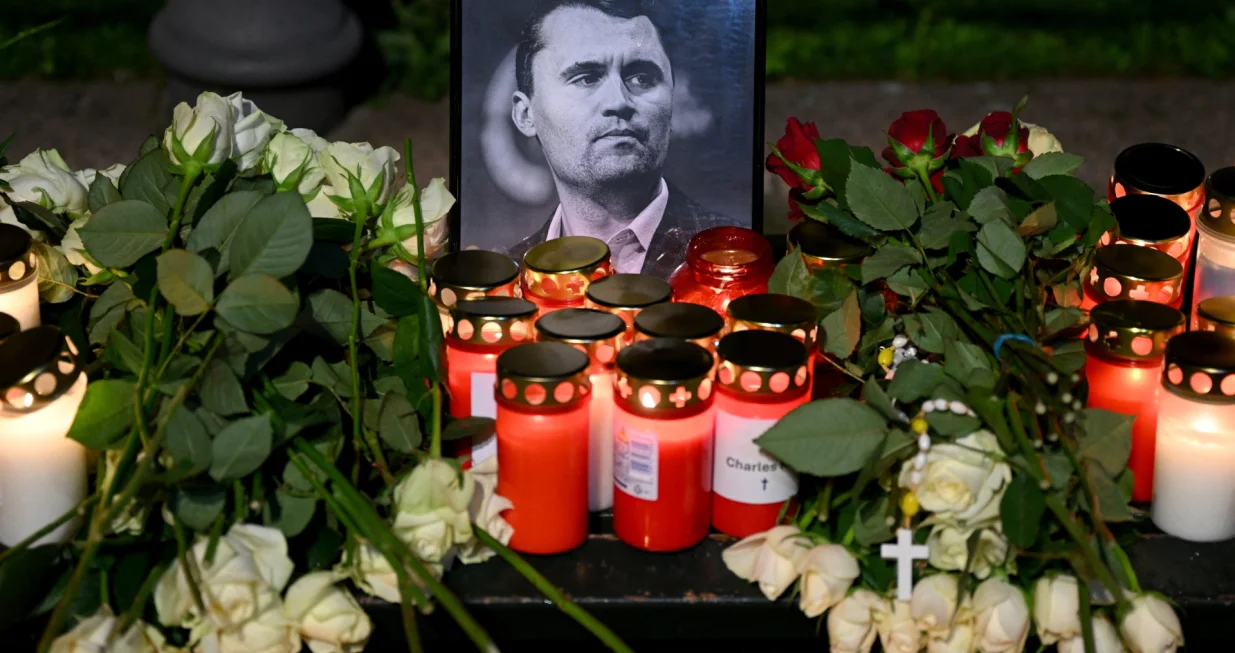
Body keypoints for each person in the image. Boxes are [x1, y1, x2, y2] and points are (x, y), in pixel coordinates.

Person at [504, 0, 741, 277]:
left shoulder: (738, 259)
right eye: (586, 78)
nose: (618, 101)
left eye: (642, 78)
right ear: (526, 115)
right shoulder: (506, 282)